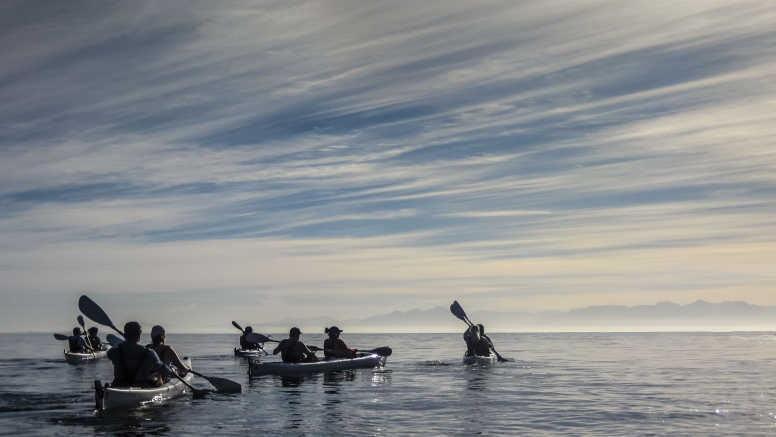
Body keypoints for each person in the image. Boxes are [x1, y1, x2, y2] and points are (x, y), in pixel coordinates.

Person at [107, 322, 170, 387]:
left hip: (118, 385)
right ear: (139, 333)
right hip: (140, 387)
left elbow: (109, 355)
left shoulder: (114, 351)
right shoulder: (149, 353)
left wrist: (123, 344)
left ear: (125, 334)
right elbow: (162, 369)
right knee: (158, 375)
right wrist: (171, 371)